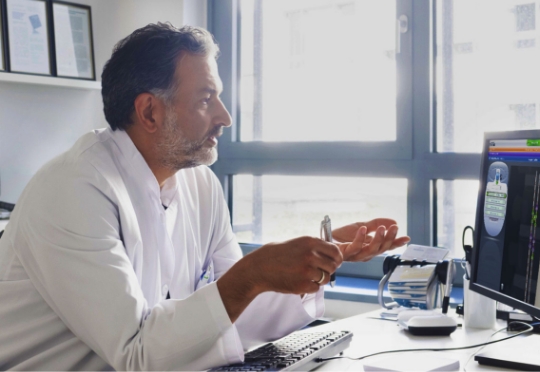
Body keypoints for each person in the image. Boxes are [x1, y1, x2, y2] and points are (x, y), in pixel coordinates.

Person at [0, 23, 410, 371]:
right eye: (205, 99)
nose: (224, 117)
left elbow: (237, 312)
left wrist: (318, 259)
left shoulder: (200, 185)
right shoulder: (75, 189)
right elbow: (136, 352)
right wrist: (251, 273)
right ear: (149, 113)